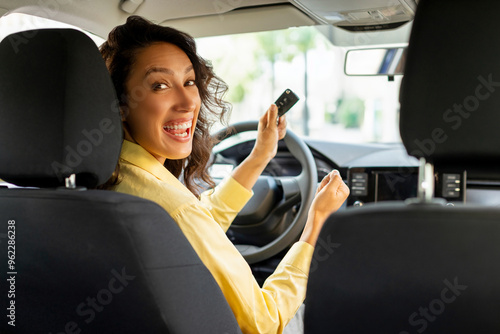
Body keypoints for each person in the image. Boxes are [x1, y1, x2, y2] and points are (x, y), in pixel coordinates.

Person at [100, 15, 349, 334]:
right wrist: (317, 223)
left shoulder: (109, 179)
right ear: (120, 105)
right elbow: (265, 322)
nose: (189, 101)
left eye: (189, 82)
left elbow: (187, 232)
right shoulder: (171, 210)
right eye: (160, 85)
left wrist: (260, 157)